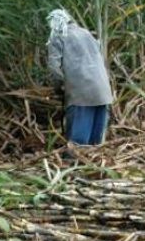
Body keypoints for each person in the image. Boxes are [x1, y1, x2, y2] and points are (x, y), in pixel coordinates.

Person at [46, 9, 114, 147]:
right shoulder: (85, 33)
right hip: (103, 89)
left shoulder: (57, 36)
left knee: (78, 142)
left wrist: (59, 87)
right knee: (96, 141)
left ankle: (75, 164)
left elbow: (54, 67)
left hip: (81, 91)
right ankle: (94, 165)